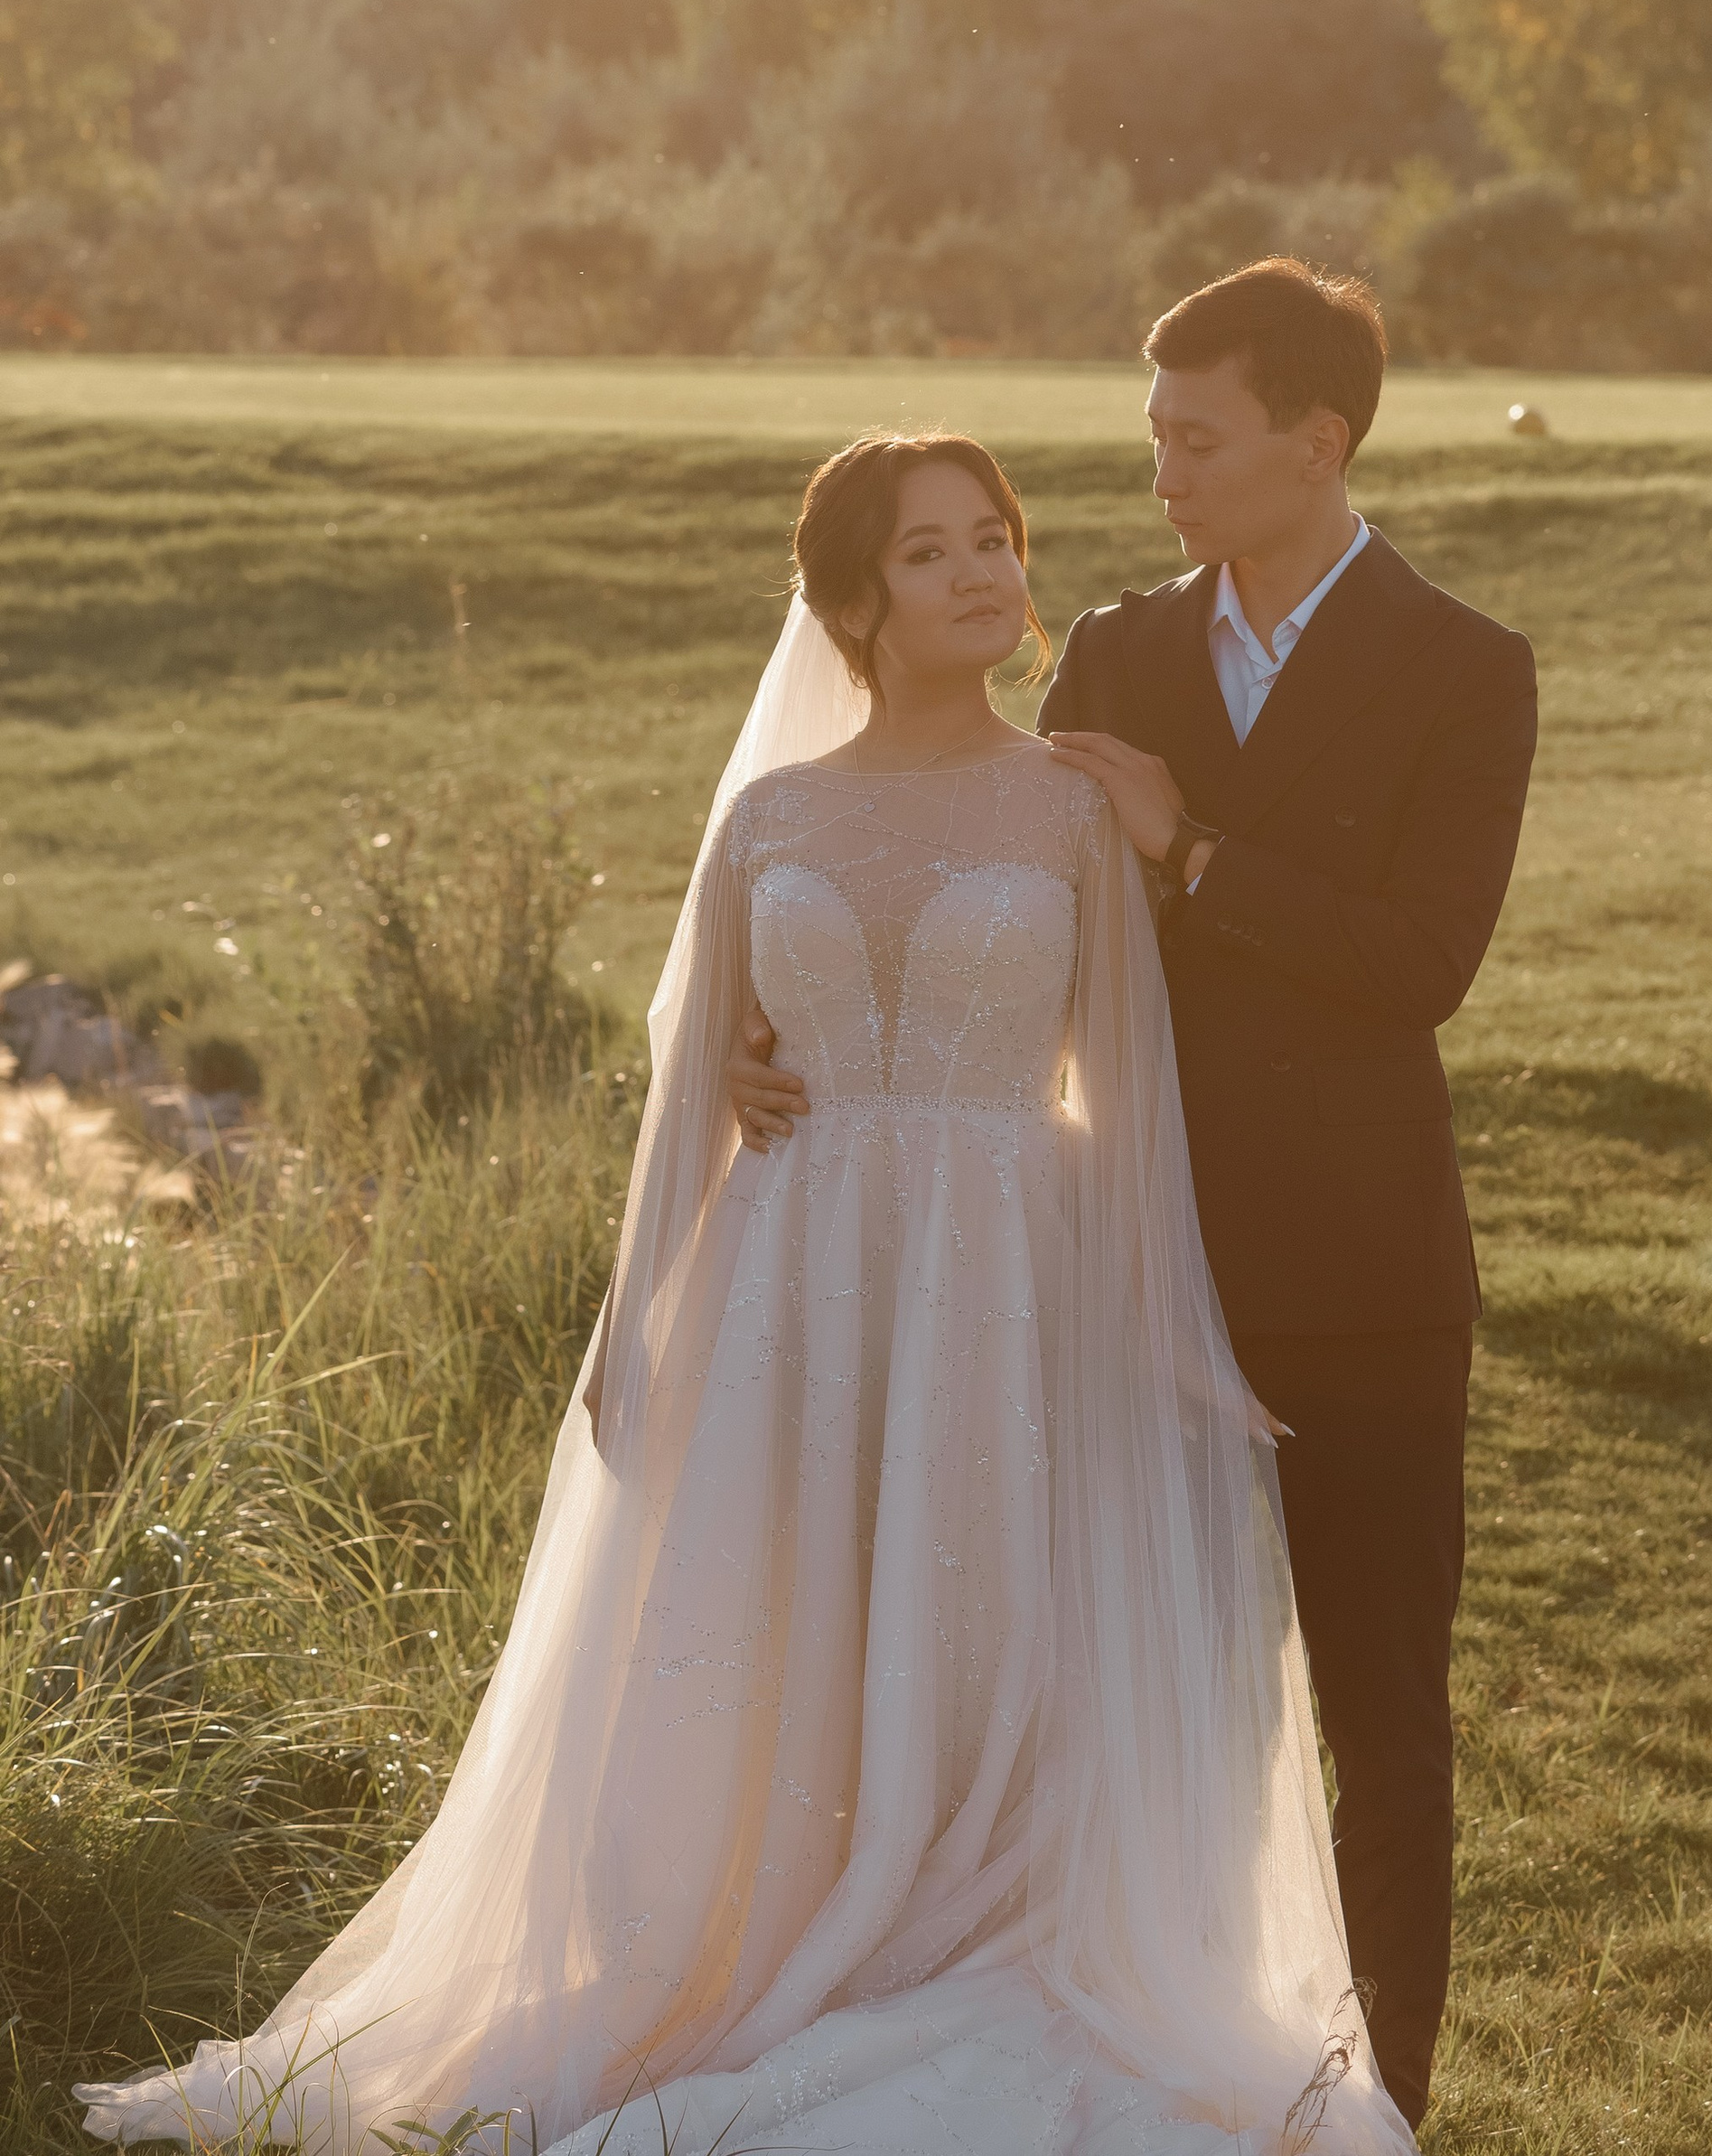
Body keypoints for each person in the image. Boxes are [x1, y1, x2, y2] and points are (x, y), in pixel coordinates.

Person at [79, 433, 1411, 2156]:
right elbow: (693, 1090)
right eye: (930, 552)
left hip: (1005, 1264)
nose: (983, 571)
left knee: (977, 1609)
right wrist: (641, 1314)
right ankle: (756, 1933)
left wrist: (1161, 1332)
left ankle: (953, 1920)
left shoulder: (1074, 800)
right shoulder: (769, 817)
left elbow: (1132, 1088)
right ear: (853, 597)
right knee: (795, 1618)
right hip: (795, 1267)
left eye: (996, 538)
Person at [1038, 262, 1536, 2132]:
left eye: (1194, 436)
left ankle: (1375, 2108)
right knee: (1151, 1710)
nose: (1158, 469)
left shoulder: (1463, 666)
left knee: (1380, 1726)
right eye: (1151, 433)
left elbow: (1417, 961)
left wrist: (1196, 848)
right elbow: (1026, 935)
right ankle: (1161, 2068)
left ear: (1313, 447)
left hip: (1363, 1290)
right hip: (1134, 1265)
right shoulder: (1109, 647)